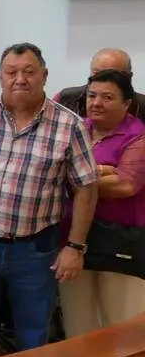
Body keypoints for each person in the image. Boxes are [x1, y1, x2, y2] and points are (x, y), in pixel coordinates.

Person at [0, 43, 98, 357]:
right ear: (0, 77)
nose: (20, 79)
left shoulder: (70, 125)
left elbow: (86, 189)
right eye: (12, 72)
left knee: (33, 332)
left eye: (29, 72)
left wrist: (75, 246)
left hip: (36, 250)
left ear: (44, 75)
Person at [59, 69, 145, 336]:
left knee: (121, 326)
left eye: (107, 97)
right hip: (73, 240)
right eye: (92, 95)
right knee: (78, 324)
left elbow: (126, 184)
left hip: (119, 244)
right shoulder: (77, 127)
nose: (96, 103)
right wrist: (104, 170)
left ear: (126, 103)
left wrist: (74, 177)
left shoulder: (138, 136)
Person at [54, 48, 145, 121]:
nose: (102, 80)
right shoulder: (65, 98)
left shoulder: (142, 106)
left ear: (129, 77)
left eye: (112, 75)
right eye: (97, 74)